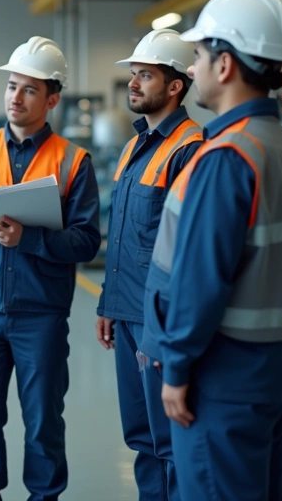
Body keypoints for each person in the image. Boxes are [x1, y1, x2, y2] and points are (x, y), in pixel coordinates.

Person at [141, 0, 282, 500]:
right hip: (273, 369)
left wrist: (176, 366)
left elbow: (201, 279)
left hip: (222, 379)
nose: (191, 69)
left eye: (198, 55)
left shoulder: (227, 157)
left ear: (226, 64)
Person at [0, 36, 101, 501]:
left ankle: (43, 496)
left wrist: (28, 239)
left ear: (52, 99)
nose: (15, 97)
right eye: (11, 86)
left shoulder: (74, 162)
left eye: (29, 89)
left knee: (43, 418)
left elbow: (87, 241)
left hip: (41, 313)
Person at [96, 29, 201, 500]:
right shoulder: (135, 146)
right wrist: (107, 301)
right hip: (128, 312)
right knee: (142, 438)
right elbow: (123, 235)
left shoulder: (189, 149)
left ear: (175, 86)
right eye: (134, 74)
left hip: (161, 319)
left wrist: (171, 327)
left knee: (173, 442)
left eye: (145, 75)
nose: (133, 84)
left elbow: (188, 250)